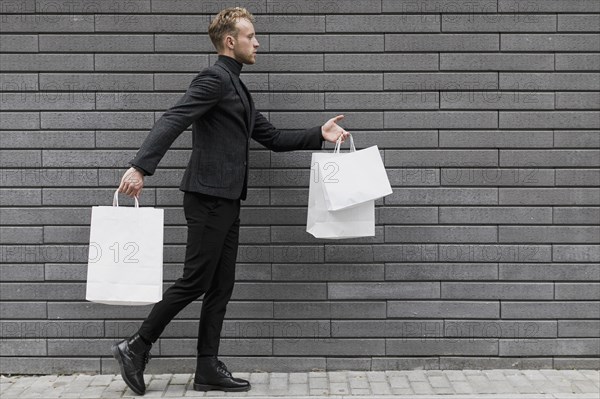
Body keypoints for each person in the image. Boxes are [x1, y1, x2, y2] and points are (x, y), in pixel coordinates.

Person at [112, 6, 350, 396]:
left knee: (221, 285)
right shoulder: (213, 79)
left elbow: (271, 138)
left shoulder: (236, 87)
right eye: (250, 36)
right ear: (230, 41)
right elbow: (174, 118)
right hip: (207, 197)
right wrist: (140, 167)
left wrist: (318, 134)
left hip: (225, 199)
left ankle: (206, 368)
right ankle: (136, 346)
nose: (257, 43)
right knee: (195, 281)